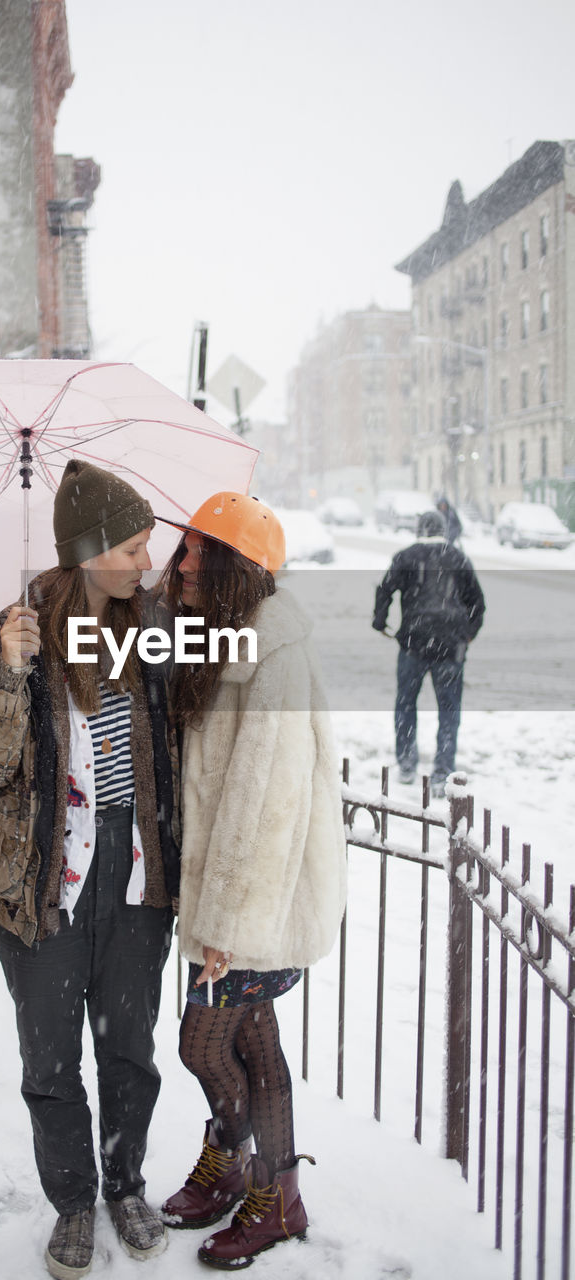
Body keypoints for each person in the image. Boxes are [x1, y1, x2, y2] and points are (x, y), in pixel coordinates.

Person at [0, 460, 179, 1280]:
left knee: (129, 1050)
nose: (148, 561)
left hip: (136, 876)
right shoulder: (7, 635)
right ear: (92, 549)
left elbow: (193, 739)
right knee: (50, 1059)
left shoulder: (155, 627)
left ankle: (126, 1185)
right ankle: (73, 1202)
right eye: (136, 545)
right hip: (43, 880)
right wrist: (8, 670)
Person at [154, 492, 347, 1270]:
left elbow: (263, 805)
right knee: (254, 1043)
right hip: (232, 901)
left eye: (206, 551)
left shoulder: (272, 654)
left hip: (254, 902)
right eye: (186, 547)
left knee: (202, 1045)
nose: (185, 561)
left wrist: (226, 927)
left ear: (242, 568)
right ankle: (261, 1185)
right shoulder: (217, 637)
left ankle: (261, 1185)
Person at [372, 508, 485, 797]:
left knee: (406, 703)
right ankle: (442, 770)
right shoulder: (458, 557)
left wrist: (380, 620)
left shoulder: (407, 556)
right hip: (451, 646)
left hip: (414, 642)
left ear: (419, 529)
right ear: (444, 530)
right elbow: (477, 603)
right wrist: (467, 635)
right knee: (449, 709)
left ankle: (407, 762)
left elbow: (385, 589)